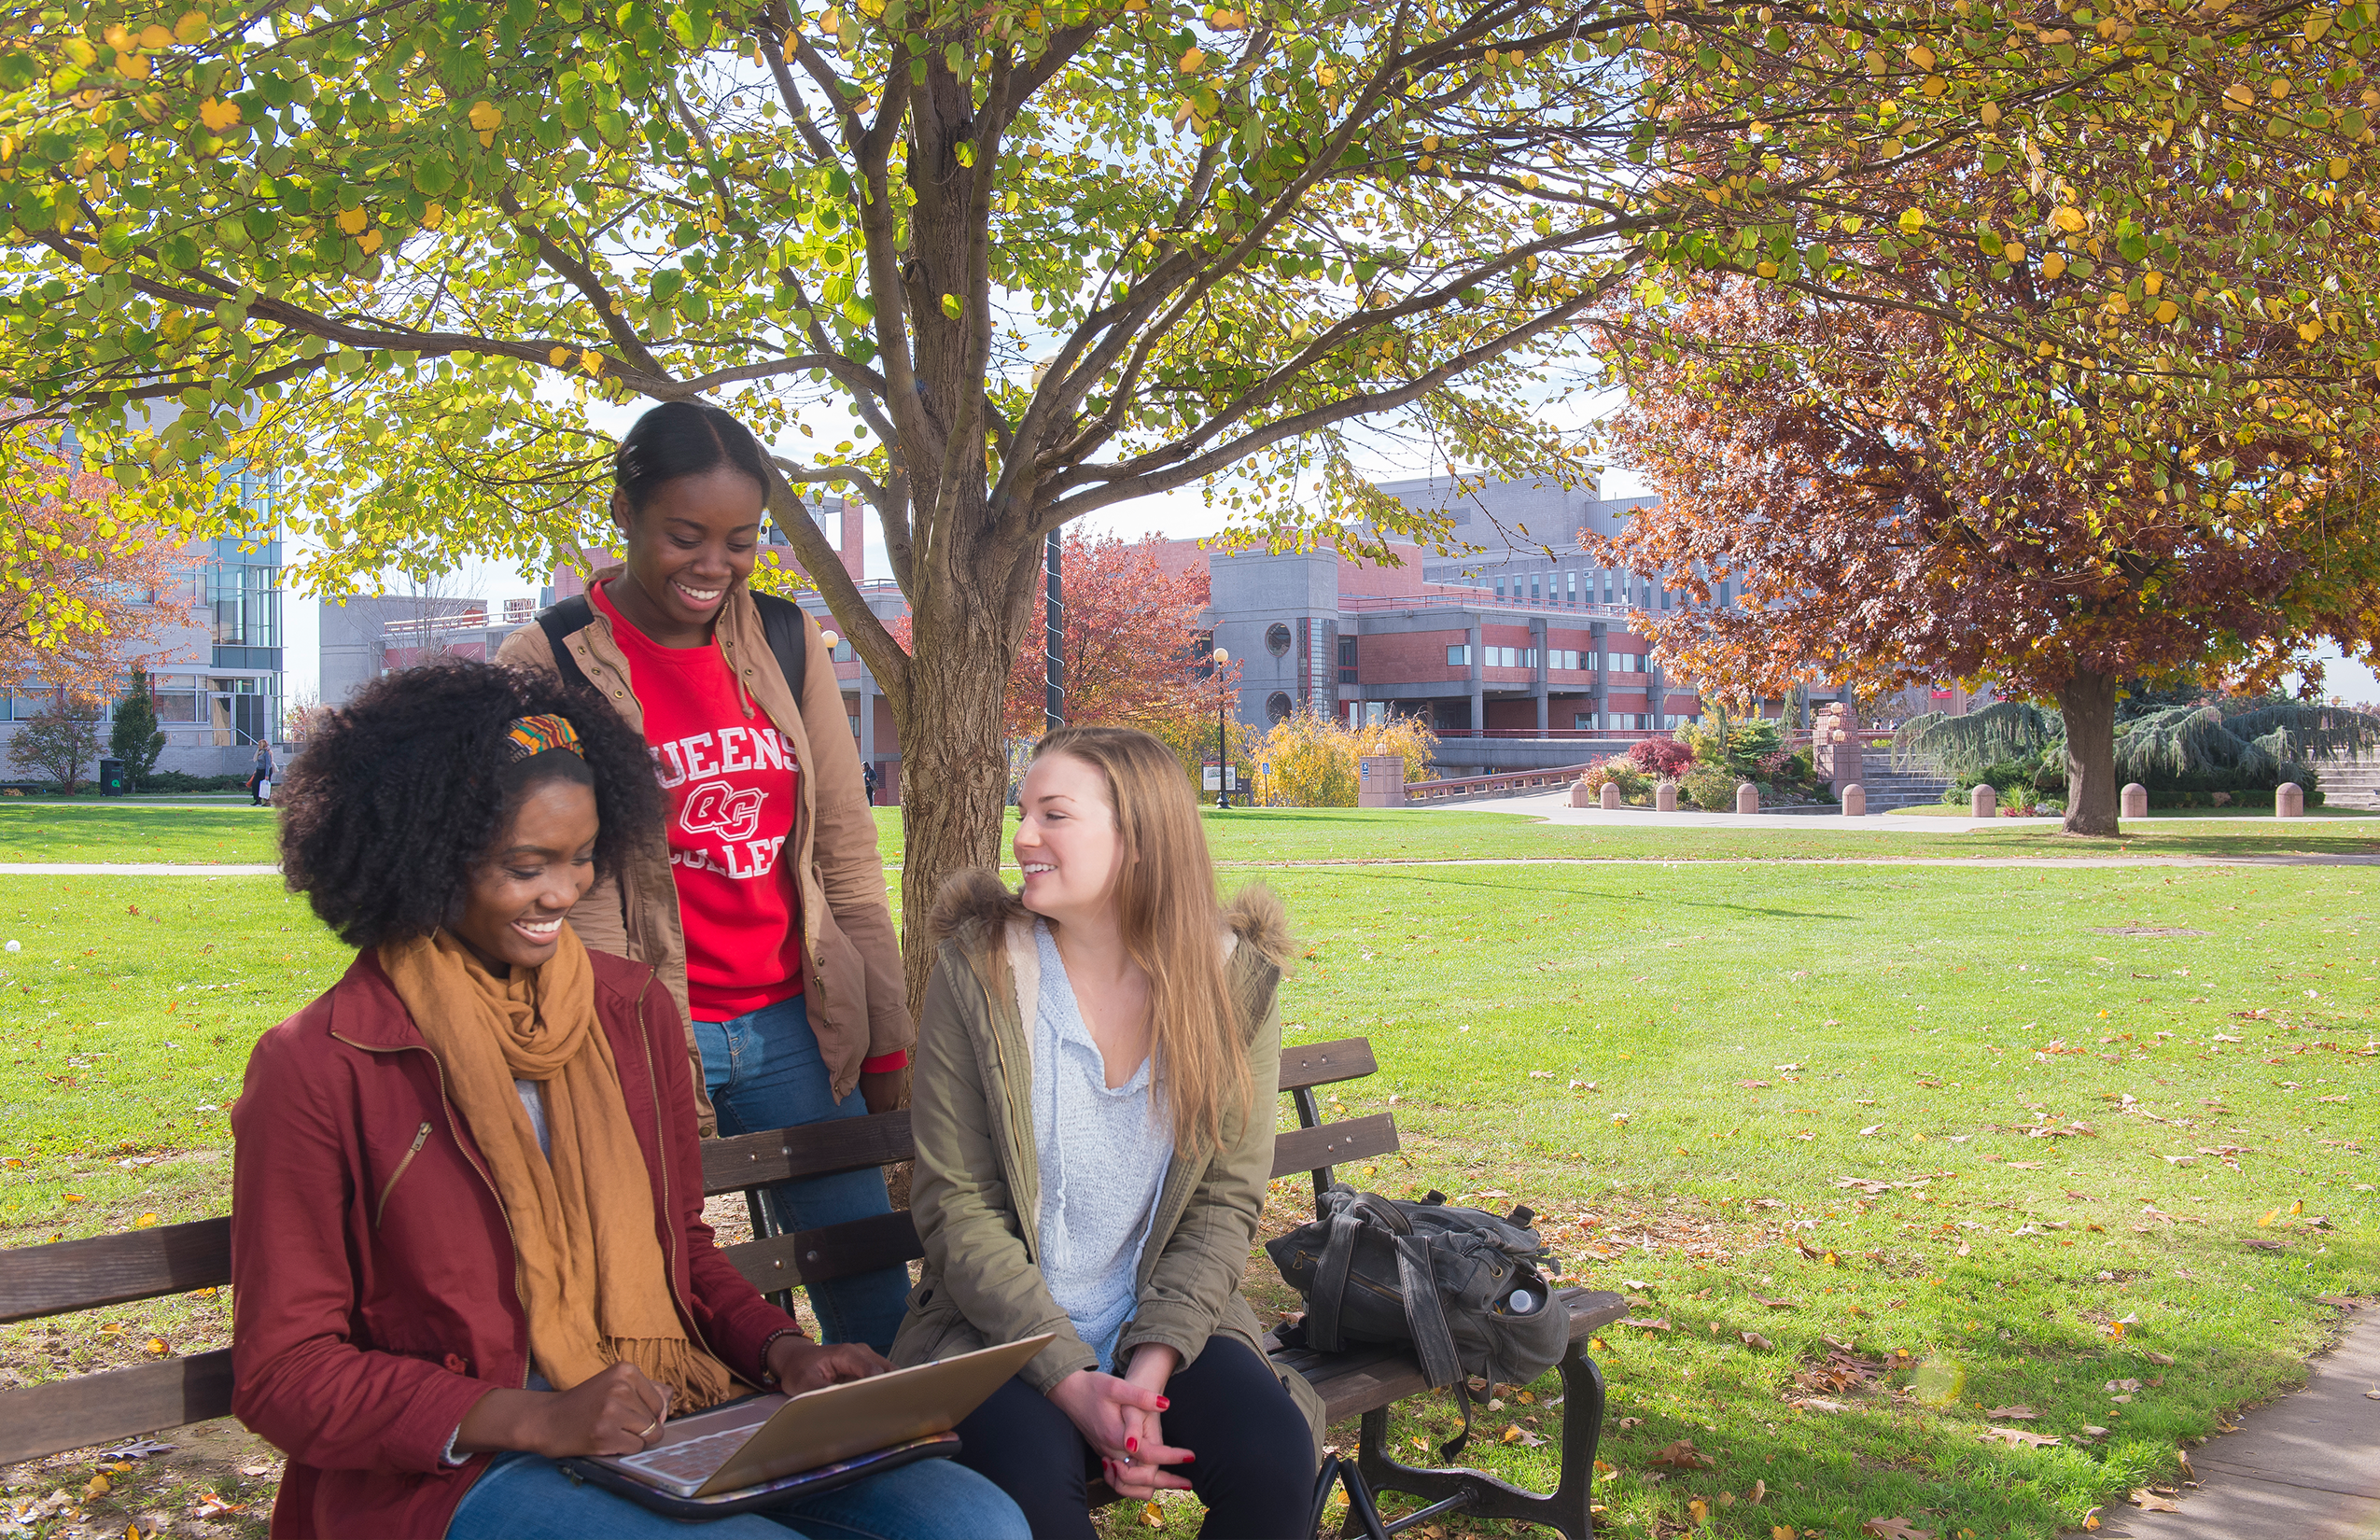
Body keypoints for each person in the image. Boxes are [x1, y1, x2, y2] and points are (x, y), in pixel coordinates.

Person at [231, 658, 1027, 1540]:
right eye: (525, 866)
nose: (563, 894)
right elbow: (284, 1372)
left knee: (975, 1523)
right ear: (422, 856)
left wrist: (782, 1351)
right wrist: (534, 1418)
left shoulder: (627, 1010)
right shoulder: (320, 1064)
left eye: (582, 858)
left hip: (669, 1410)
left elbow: (677, 1246)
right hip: (461, 1469)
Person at [498, 401, 911, 1352]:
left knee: (872, 1301)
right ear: (624, 513)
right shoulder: (549, 658)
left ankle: (883, 1437)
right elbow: (528, 872)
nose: (713, 565)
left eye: (741, 541)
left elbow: (845, 853)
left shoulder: (787, 639)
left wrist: (885, 1038)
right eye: (685, 536)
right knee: (642, 1298)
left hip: (795, 1023)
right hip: (630, 1020)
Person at [895, 725, 1324, 1538]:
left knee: (1273, 1459)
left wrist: (1150, 1373)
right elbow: (957, 1207)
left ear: (1138, 839)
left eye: (1053, 815)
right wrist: (1070, 1376)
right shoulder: (981, 973)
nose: (1022, 837)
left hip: (1161, 1318)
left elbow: (1223, 1205)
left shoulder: (1230, 983)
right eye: (1022, 812)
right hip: (1000, 1332)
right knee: (1031, 1492)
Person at [248, 740, 275, 805]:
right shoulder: (259, 752)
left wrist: (267, 774)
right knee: (255, 784)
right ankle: (257, 799)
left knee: (265, 786)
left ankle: (267, 801)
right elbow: (259, 762)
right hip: (259, 769)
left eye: (259, 745)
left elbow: (268, 764)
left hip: (265, 770)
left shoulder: (266, 753)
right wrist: (256, 770)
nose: (258, 746)